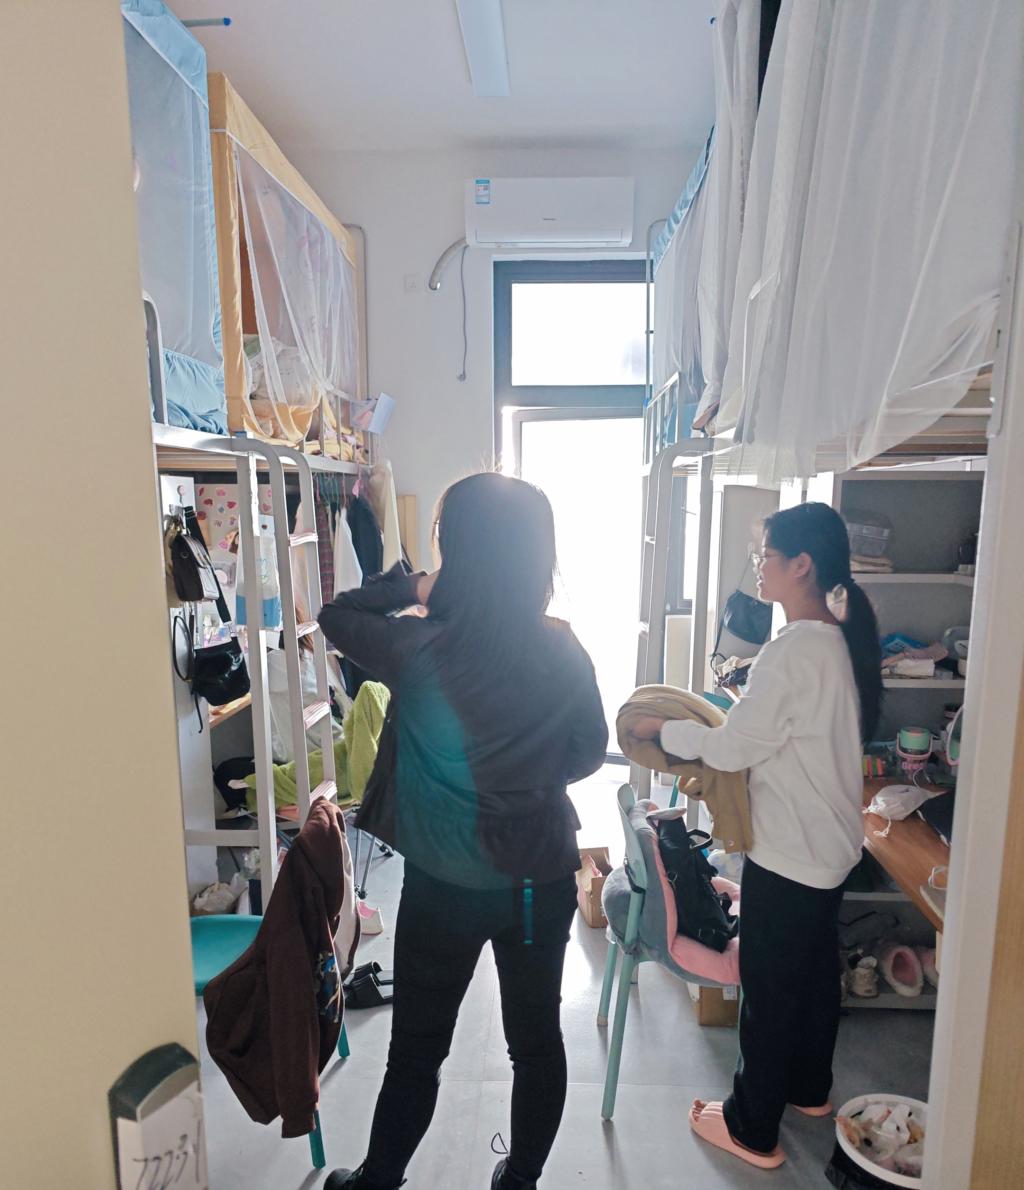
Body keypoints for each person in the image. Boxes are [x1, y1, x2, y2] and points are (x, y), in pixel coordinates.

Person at [317, 472, 608, 1190]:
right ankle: (519, 1182)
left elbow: (336, 614)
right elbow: (587, 751)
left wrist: (417, 586)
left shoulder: (419, 647)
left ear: (457, 553)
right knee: (536, 1045)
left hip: (444, 885)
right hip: (538, 878)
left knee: (417, 1051)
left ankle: (378, 1181)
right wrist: (522, 777)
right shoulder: (563, 647)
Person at [630, 502, 882, 1170]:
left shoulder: (793, 650)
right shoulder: (836, 640)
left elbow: (734, 749)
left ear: (802, 565)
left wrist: (662, 734)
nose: (759, 568)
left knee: (768, 989)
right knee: (814, 975)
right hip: (831, 846)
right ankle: (809, 1089)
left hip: (792, 854)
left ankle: (751, 1128)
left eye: (766, 555)